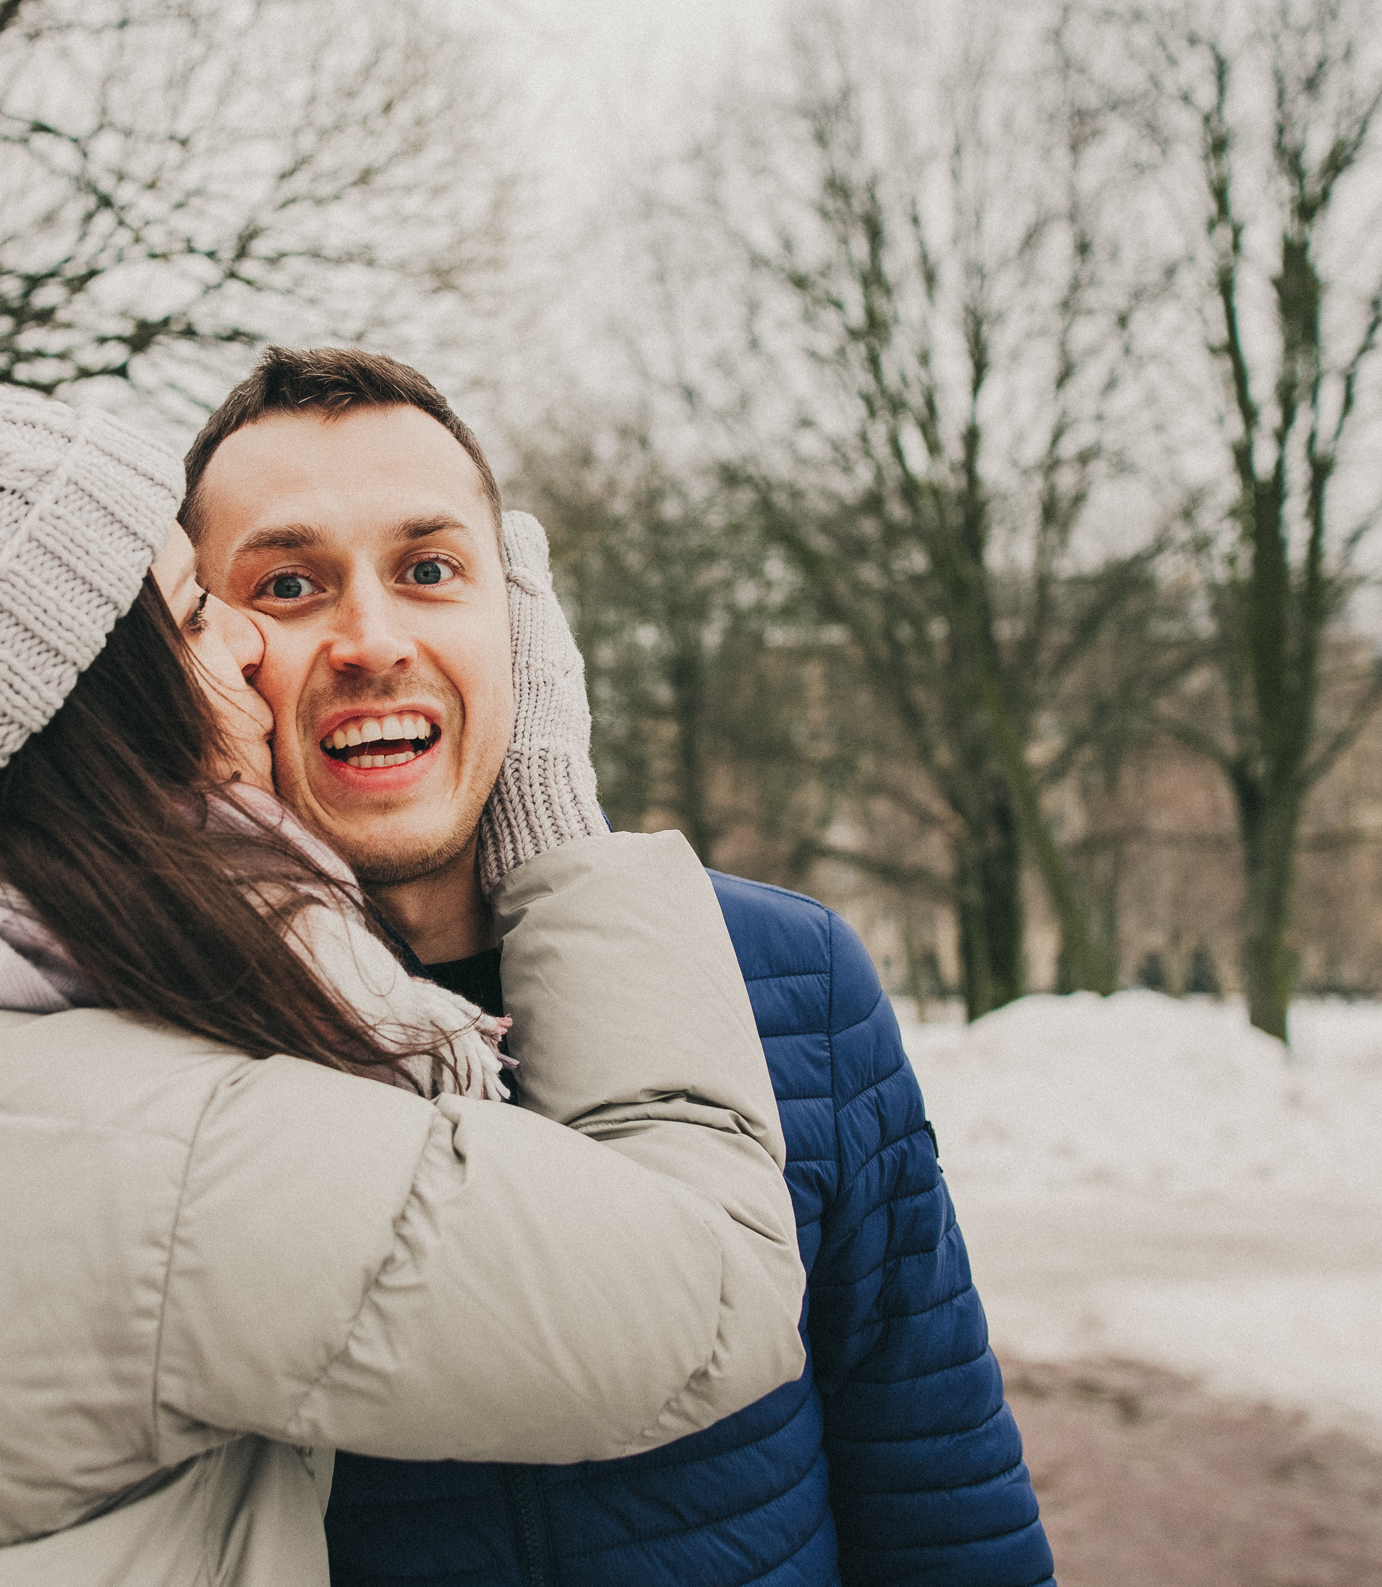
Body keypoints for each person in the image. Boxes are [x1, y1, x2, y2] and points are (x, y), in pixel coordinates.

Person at [0, 356, 806, 1584]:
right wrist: (553, 816)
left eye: (431, 569)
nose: (259, 653)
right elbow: (715, 1290)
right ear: (101, 712)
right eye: (210, 608)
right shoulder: (165, 1152)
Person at [181, 346, 1057, 1587]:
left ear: (520, 627)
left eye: (430, 570)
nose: (371, 639)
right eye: (288, 583)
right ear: (200, 654)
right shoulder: (152, 1046)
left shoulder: (792, 981)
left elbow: (944, 1510)